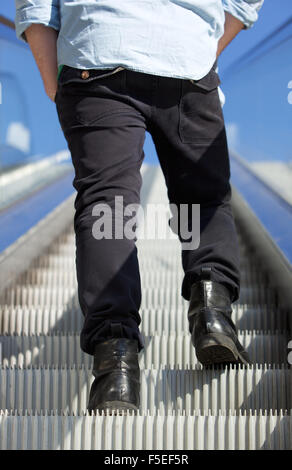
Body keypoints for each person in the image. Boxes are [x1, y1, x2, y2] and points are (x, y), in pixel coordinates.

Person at [15, 0, 264, 414]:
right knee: (201, 197)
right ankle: (212, 312)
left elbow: (36, 6)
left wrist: (56, 81)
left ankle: (115, 365)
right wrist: (197, 45)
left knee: (108, 208)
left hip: (96, 55)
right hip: (186, 58)